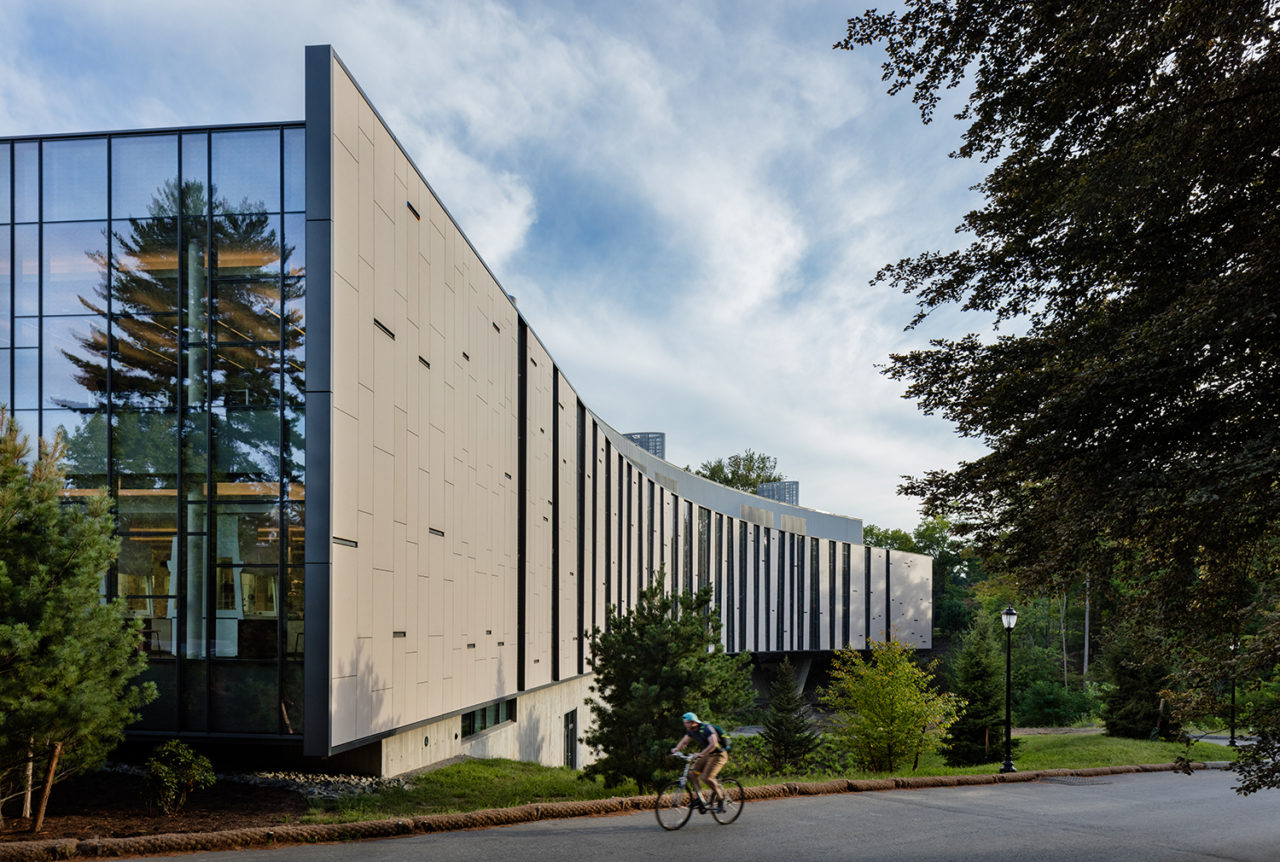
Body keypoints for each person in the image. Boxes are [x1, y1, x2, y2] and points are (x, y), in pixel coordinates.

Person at [671, 711, 728, 813]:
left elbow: (713, 744)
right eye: (684, 722)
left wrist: (701, 754)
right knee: (692, 774)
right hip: (707, 755)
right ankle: (700, 797)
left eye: (687, 722)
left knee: (707, 777)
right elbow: (684, 741)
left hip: (718, 755)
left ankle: (721, 798)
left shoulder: (706, 729)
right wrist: (676, 749)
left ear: (694, 722)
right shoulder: (691, 731)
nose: (685, 724)